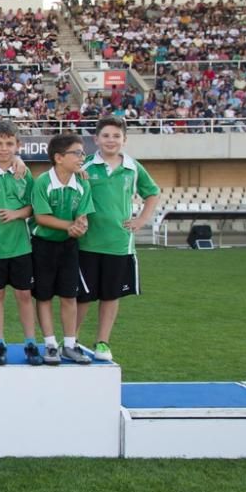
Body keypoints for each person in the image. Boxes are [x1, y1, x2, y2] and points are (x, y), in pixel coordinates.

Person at [78, 116, 160, 361]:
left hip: (118, 244)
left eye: (116, 136)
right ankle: (72, 340)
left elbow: (152, 193)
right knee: (82, 296)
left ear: (124, 140)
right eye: (105, 135)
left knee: (110, 295)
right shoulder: (85, 166)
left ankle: (102, 342)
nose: (110, 140)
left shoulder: (133, 167)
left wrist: (141, 220)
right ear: (96, 140)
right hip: (87, 242)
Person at [0, 122, 44, 366]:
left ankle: (31, 343)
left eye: (9, 143)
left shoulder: (24, 173)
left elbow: (35, 207)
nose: (4, 148)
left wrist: (17, 214)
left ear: (18, 145)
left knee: (24, 295)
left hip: (22, 247)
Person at [31, 133, 94, 366]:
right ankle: (49, 343)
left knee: (70, 295)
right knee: (44, 295)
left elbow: (83, 215)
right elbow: (41, 217)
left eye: (83, 153)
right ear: (59, 157)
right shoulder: (43, 182)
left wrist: (81, 226)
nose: (81, 157)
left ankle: (69, 344)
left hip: (69, 246)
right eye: (76, 153)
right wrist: (71, 226)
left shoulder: (82, 182)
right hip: (43, 245)